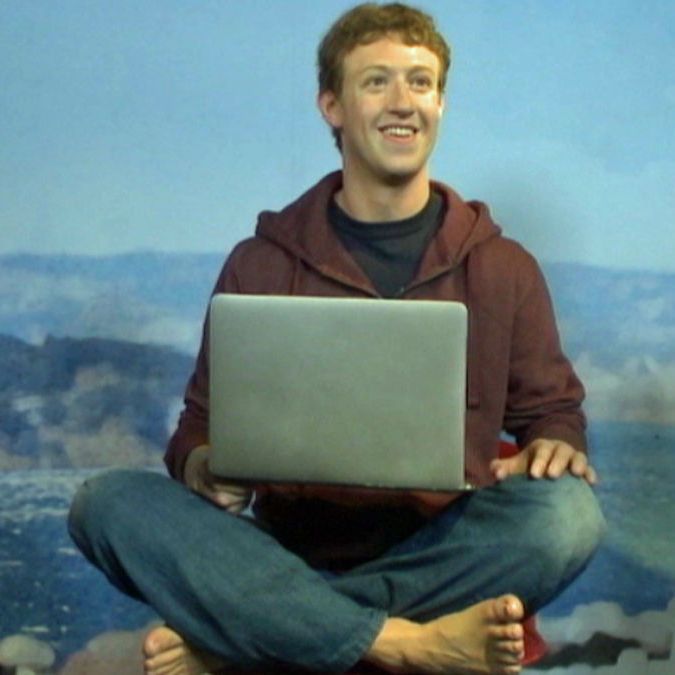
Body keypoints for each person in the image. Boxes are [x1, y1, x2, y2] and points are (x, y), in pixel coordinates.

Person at [68, 3, 606, 674]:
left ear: (440, 103)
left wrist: (555, 443)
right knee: (105, 504)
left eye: (421, 82)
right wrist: (205, 467)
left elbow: (552, 411)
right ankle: (402, 643)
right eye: (377, 81)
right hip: (285, 552)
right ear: (332, 106)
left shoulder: (503, 267)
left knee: (568, 517)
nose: (403, 101)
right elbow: (198, 430)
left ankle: (261, 637)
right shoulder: (260, 263)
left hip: (444, 552)